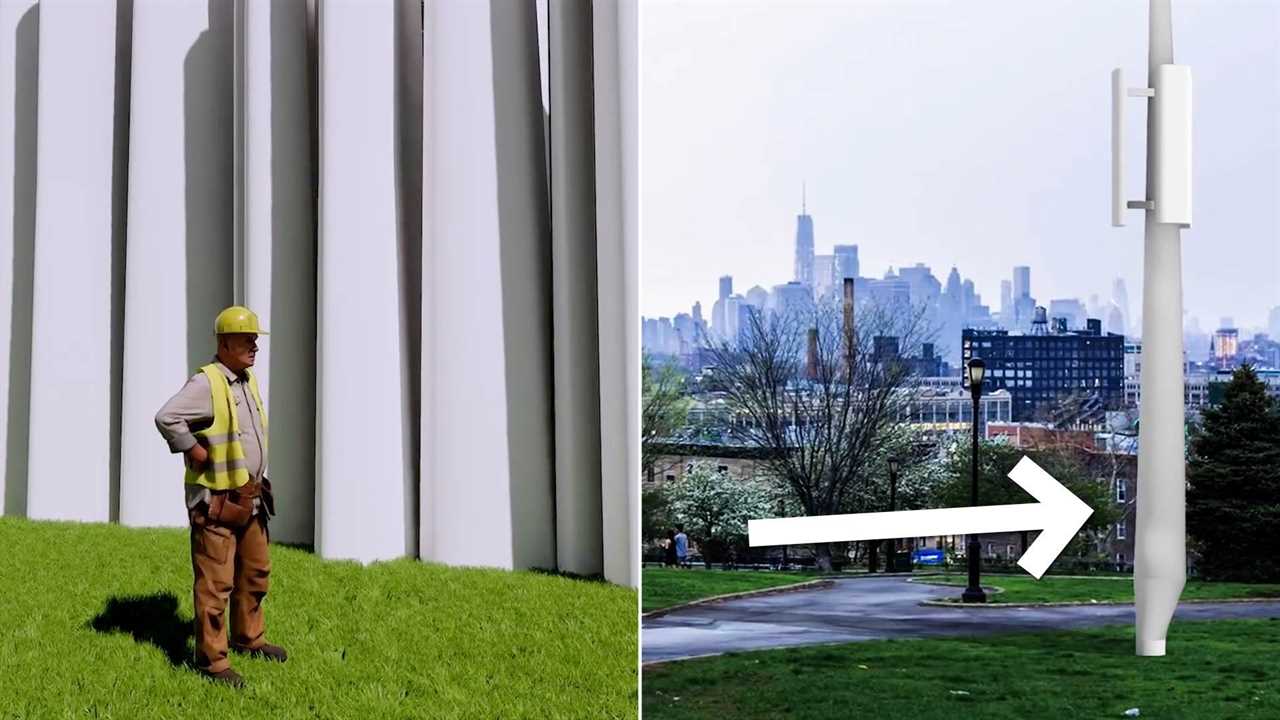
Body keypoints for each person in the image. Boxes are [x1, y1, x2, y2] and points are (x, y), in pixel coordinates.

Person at [154, 306, 287, 688]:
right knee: (215, 584)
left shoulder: (246, 381)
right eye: (248, 340)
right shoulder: (207, 382)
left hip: (251, 498)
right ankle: (212, 661)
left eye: (256, 340)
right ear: (225, 342)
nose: (255, 346)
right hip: (217, 502)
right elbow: (167, 417)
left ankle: (249, 638)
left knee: (255, 573)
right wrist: (190, 447)